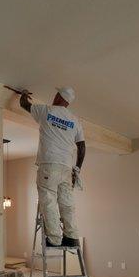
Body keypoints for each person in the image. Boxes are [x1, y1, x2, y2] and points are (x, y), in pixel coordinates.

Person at [20, 87, 85, 248]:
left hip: (49, 164)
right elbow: (82, 146)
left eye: (56, 94)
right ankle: (71, 237)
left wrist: (24, 94)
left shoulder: (46, 110)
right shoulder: (75, 121)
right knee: (66, 204)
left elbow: (24, 105)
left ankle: (55, 239)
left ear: (59, 97)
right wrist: (77, 169)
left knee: (49, 200)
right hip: (66, 167)